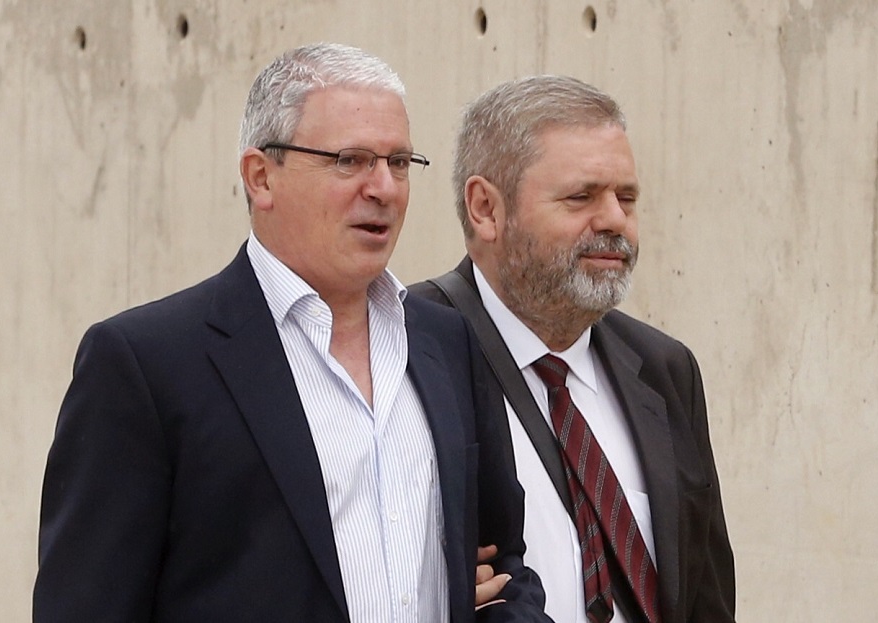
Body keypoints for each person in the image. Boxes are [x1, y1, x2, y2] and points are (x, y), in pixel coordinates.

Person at [33, 43, 549, 623]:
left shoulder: (447, 341)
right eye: (349, 160)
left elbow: (505, 561)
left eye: (399, 162)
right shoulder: (145, 364)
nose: (383, 187)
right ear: (261, 178)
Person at [411, 76, 736, 622]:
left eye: (625, 198)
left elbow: (705, 595)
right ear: (486, 209)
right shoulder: (405, 352)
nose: (613, 220)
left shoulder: (663, 369)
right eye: (580, 197)